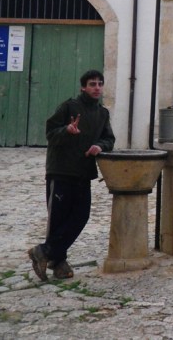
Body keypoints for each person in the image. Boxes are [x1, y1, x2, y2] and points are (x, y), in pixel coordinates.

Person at [28, 69, 115, 281]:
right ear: (83, 87)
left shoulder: (102, 113)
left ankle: (44, 251)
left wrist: (99, 146)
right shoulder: (69, 107)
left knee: (81, 216)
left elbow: (109, 139)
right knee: (58, 219)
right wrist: (66, 130)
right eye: (92, 84)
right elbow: (50, 133)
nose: (97, 88)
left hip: (83, 172)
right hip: (61, 170)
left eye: (100, 84)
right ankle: (59, 263)